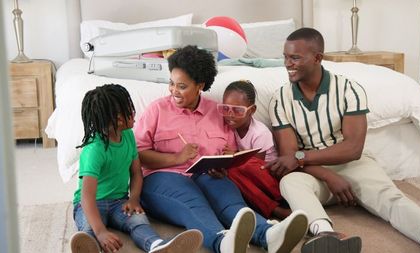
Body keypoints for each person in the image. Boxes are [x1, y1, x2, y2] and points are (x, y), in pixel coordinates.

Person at [266, 27, 420, 253]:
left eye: (295, 57)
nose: (287, 63)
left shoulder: (348, 89)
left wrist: (301, 157)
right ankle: (326, 236)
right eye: (285, 57)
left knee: (387, 195)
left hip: (352, 165)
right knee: (289, 183)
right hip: (313, 174)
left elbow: (353, 149)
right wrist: (328, 175)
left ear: (317, 58)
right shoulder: (280, 100)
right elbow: (289, 157)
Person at [134, 45, 309, 253]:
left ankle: (269, 235)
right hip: (163, 177)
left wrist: (226, 161)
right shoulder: (157, 110)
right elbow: (138, 155)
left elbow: (230, 150)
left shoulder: (217, 112)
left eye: (182, 86)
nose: (173, 91)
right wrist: (176, 158)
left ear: (200, 85)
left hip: (206, 175)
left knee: (230, 201)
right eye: (171, 83)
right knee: (193, 203)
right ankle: (222, 242)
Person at [70, 84, 203, 253]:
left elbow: (136, 173)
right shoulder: (94, 150)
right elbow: (86, 197)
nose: (134, 114)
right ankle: (90, 247)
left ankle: (157, 246)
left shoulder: (128, 136)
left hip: (119, 201)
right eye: (130, 110)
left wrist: (134, 199)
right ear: (119, 119)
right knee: (89, 229)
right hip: (91, 204)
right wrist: (101, 232)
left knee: (138, 221)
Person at [219, 80, 292, 219]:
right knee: (231, 172)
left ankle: (279, 205)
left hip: (270, 179)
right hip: (248, 179)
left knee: (241, 166)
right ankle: (274, 210)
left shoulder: (259, 132)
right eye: (225, 108)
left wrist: (235, 155)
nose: (230, 115)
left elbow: (257, 164)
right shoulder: (228, 128)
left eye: (238, 110)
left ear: (251, 110)